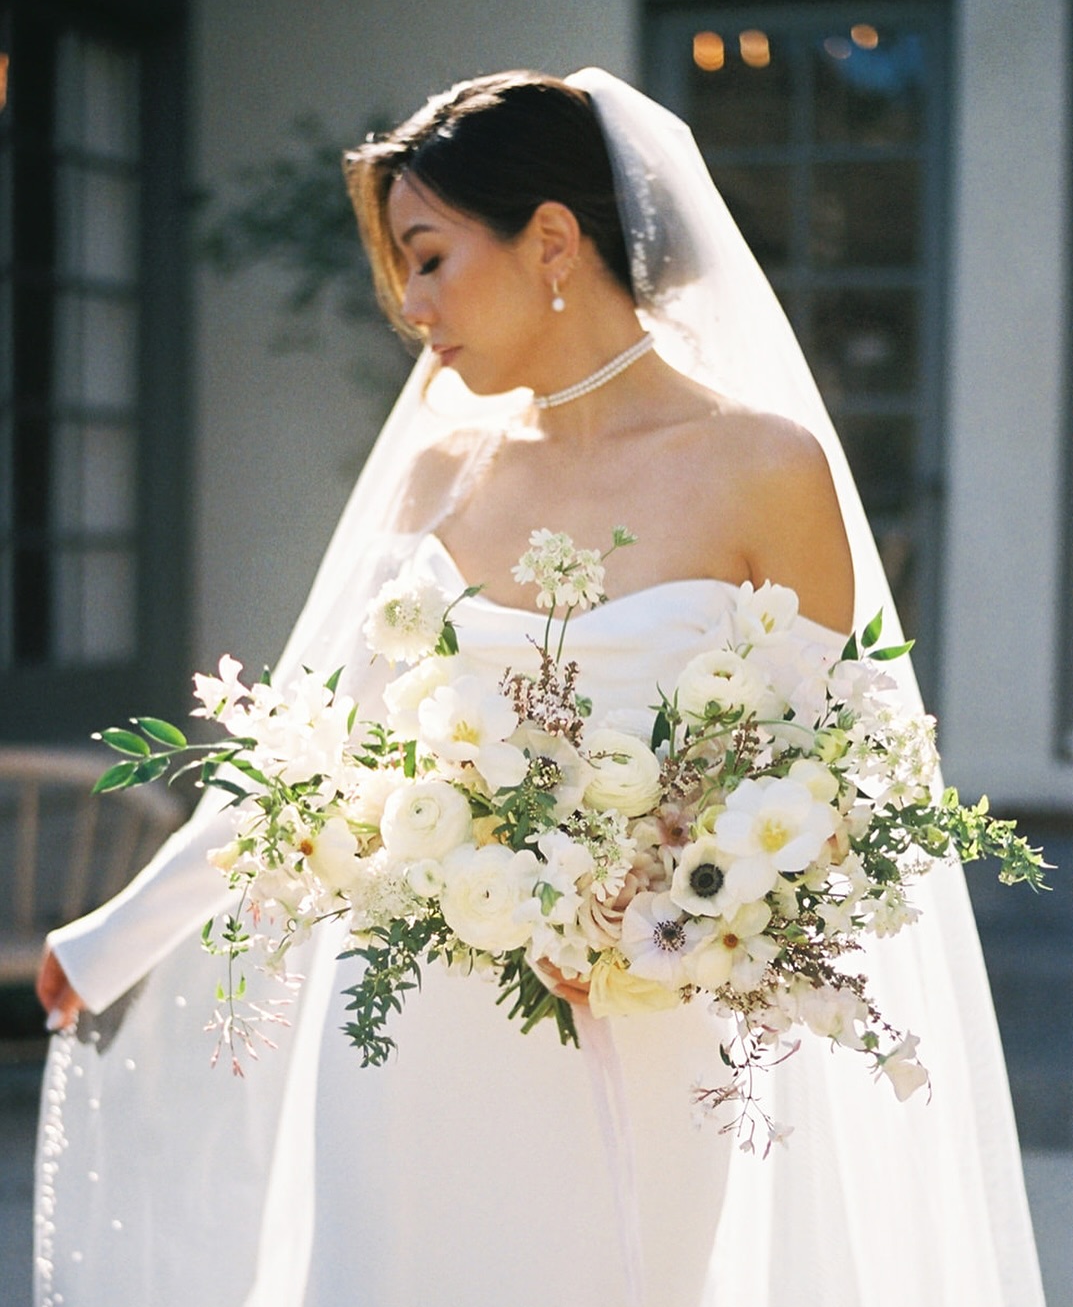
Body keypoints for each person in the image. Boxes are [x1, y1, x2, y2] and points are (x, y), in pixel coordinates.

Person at [34, 69, 1043, 1306]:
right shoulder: (442, 473)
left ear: (550, 242)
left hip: (641, 1015)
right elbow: (318, 750)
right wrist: (116, 932)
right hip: (398, 1025)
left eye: (429, 257)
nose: (408, 306)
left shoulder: (764, 468)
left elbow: (833, 780)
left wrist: (661, 921)